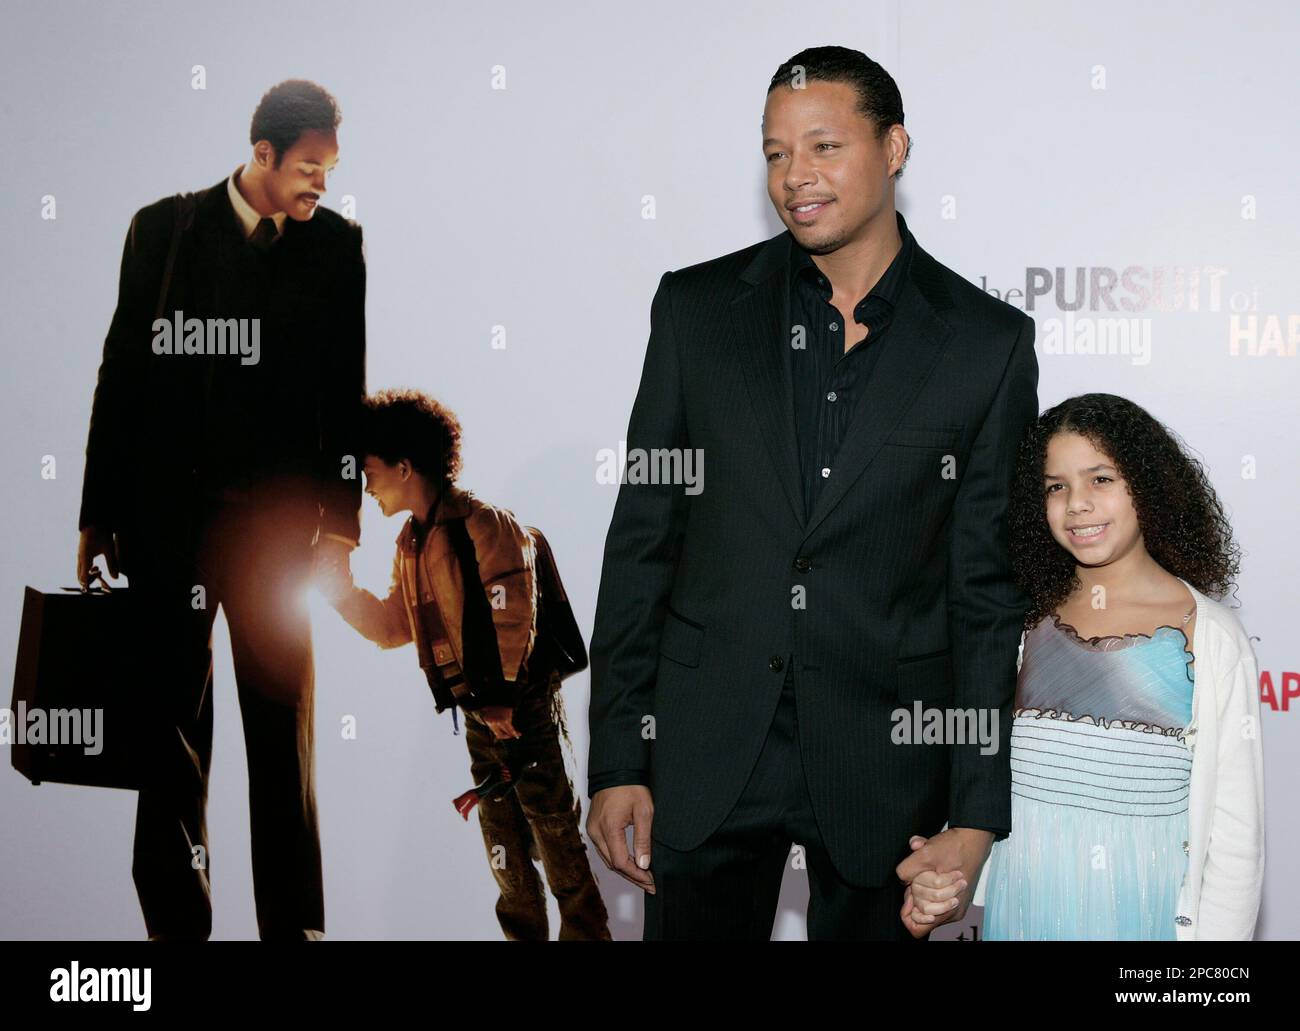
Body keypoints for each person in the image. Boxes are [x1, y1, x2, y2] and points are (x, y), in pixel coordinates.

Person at [585, 45, 1038, 939]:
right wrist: (615, 757)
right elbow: (642, 542)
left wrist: (978, 811)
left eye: (824, 147)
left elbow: (984, 597)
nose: (796, 177)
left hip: (886, 765)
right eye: (775, 153)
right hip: (708, 749)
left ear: (895, 147)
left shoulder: (987, 345)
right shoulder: (695, 310)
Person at [75, 79, 366, 940]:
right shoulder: (162, 231)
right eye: (310, 167)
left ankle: (296, 931)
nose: (322, 185)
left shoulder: (337, 247)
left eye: (332, 170)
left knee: (284, 738)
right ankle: (174, 930)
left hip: (280, 538)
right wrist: (97, 513)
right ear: (263, 156)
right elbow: (120, 373)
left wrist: (341, 529)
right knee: (163, 737)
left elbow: (343, 395)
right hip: (167, 528)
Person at [903, 394, 1265, 940]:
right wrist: (946, 883)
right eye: (1056, 486)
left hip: (1146, 919)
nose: (1076, 504)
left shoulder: (1211, 635)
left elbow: (1237, 839)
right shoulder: (1018, 625)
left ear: (1148, 484)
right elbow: (985, 789)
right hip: (1023, 911)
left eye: (1100, 479)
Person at [317, 388, 611, 941]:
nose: (366, 485)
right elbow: (393, 627)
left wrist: (499, 693)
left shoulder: (484, 524)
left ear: (405, 467)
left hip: (520, 705)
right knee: (502, 841)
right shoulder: (411, 544)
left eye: (372, 471)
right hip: (481, 715)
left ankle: (586, 934)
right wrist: (338, 592)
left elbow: (514, 609)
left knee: (553, 829)